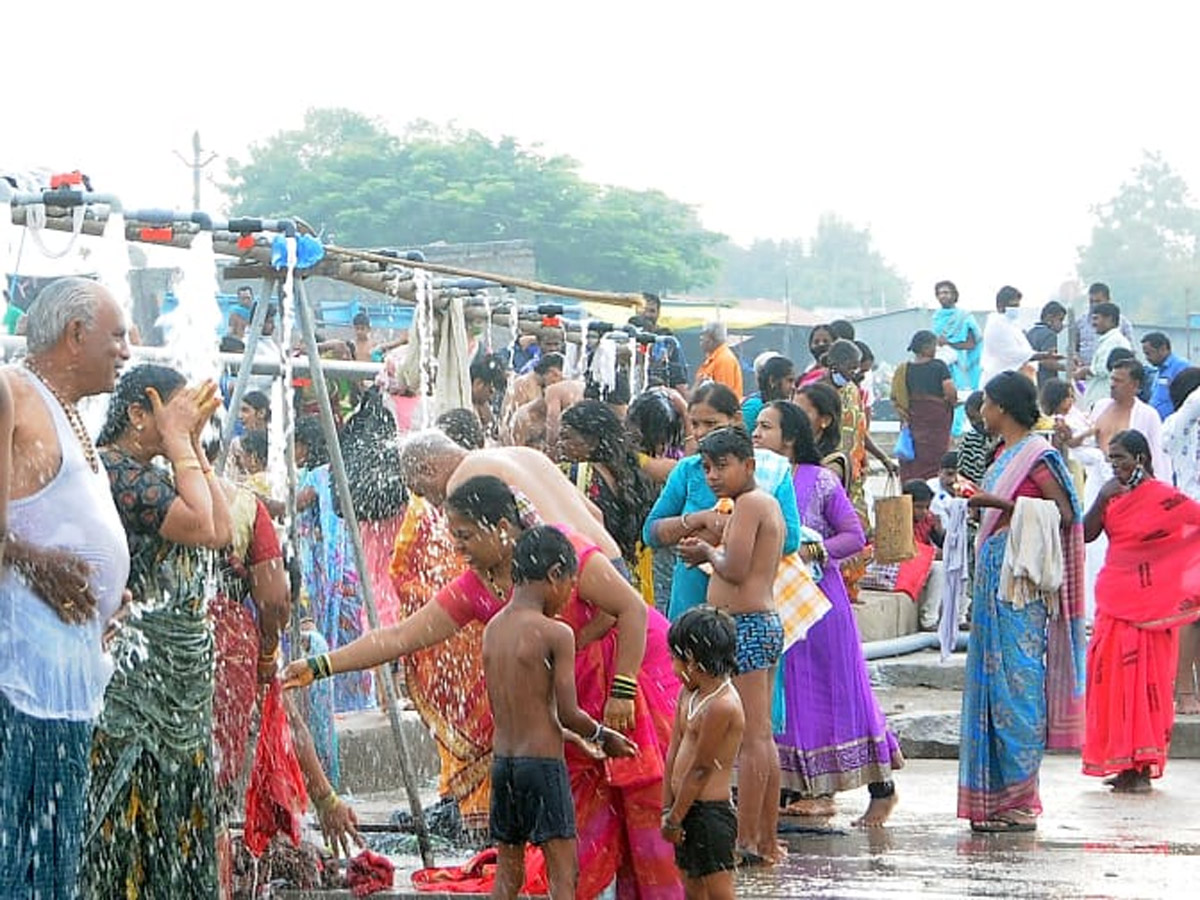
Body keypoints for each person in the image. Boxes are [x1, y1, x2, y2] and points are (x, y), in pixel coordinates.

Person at [285, 476, 683, 900]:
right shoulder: (480, 589)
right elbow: (400, 637)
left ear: (501, 527)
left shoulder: (557, 553)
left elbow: (631, 610)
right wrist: (320, 665)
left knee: (644, 814)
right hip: (570, 709)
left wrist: (621, 691)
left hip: (632, 675)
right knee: (582, 842)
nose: (459, 549)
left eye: (465, 536)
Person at [0, 278, 133, 899]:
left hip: (68, 680)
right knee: (15, 863)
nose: (126, 351)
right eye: (118, 336)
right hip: (19, 681)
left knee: (50, 868)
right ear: (76, 335)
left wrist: (109, 592)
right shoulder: (12, 393)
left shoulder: (68, 414)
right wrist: (35, 564)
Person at [82, 364, 234, 898]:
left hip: (177, 688)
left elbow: (222, 530)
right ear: (137, 413)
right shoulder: (115, 471)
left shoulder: (156, 472)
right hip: (132, 688)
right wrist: (178, 442)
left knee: (175, 822)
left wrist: (190, 444)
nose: (187, 423)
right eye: (176, 412)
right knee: (125, 822)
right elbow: (205, 525)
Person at [751, 401, 903, 826]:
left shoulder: (819, 481)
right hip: (776, 601)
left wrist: (810, 549)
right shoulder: (756, 482)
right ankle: (798, 787)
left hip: (820, 604)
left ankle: (878, 790)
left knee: (837, 695)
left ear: (792, 437)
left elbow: (854, 536)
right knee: (788, 696)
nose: (757, 433)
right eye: (756, 427)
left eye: (766, 427)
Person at [958, 372, 1085, 833]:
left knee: (1019, 684)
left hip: (1022, 586)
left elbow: (1068, 514)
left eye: (987, 404)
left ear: (1004, 407)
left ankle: (1020, 800)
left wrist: (1003, 504)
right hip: (994, 579)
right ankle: (993, 800)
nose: (982, 412)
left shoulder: (1038, 455)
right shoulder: (1001, 454)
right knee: (993, 685)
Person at [483, 526, 637, 900]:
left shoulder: (493, 629)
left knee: (507, 876)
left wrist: (571, 739)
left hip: (504, 764)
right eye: (570, 584)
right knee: (563, 877)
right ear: (554, 575)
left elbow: (518, 710)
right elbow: (568, 713)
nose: (570, 594)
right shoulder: (556, 633)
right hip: (543, 768)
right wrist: (604, 737)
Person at [676, 427, 783, 865]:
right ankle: (765, 837)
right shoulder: (754, 505)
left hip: (748, 624)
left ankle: (749, 839)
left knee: (754, 737)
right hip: (754, 623)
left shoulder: (753, 503)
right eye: (706, 467)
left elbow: (735, 569)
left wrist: (706, 550)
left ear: (749, 466)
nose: (713, 475)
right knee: (760, 736)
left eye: (722, 466)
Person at [1081, 430, 1200, 793]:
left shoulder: (1165, 498)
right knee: (1109, 680)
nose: (1114, 466)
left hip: (1150, 608)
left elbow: (1194, 528)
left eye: (1120, 458)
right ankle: (1120, 760)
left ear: (1141, 459)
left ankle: (1141, 766)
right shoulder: (1112, 495)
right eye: (1110, 460)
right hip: (1114, 600)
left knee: (1143, 682)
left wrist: (1173, 582)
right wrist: (1101, 498)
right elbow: (1085, 533)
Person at [642, 382, 801, 621]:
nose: (700, 432)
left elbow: (789, 540)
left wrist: (717, 535)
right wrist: (702, 519)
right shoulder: (688, 470)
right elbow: (651, 533)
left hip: (746, 610)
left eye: (711, 423)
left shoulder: (769, 470)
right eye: (694, 424)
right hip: (691, 599)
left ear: (736, 419)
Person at [662, 607, 744, 899]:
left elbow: (701, 768)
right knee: (692, 887)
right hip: (684, 809)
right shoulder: (689, 693)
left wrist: (674, 818)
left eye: (674, 658)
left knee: (718, 890)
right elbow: (673, 751)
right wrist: (667, 808)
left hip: (710, 814)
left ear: (693, 660)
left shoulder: (722, 705)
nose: (672, 667)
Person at [558, 400, 657, 578]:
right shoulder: (630, 473)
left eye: (566, 437)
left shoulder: (574, 473)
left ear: (592, 441)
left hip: (594, 572)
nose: (560, 444)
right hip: (628, 574)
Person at [1090, 357, 1172, 482]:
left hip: (1131, 482)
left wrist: (1161, 489)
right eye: (1112, 379)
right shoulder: (1100, 407)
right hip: (1098, 479)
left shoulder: (1148, 415)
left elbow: (1159, 457)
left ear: (1135, 384)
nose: (1112, 385)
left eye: (1119, 381)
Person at [892, 330, 956, 481]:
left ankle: (912, 494)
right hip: (936, 424)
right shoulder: (939, 366)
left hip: (915, 422)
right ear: (926, 347)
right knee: (935, 462)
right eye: (934, 346)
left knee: (914, 461)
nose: (935, 350)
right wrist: (951, 403)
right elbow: (950, 392)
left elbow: (899, 399)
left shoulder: (905, 370)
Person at [930, 280, 983, 434]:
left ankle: (957, 432)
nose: (943, 296)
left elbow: (972, 343)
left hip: (961, 363)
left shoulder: (964, 316)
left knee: (959, 396)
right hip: (942, 363)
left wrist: (950, 343)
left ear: (954, 295)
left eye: (946, 292)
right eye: (940, 293)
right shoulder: (937, 317)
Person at [1075, 301, 1131, 411]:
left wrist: (1084, 371)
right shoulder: (1107, 341)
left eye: (1096, 319)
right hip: (1098, 401)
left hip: (1105, 401)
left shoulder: (1115, 341)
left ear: (1109, 319)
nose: (1093, 323)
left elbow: (1104, 369)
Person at [980, 286, 1037, 386]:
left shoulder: (1011, 324)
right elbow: (1012, 354)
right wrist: (1041, 356)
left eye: (1018, 306)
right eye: (1013, 306)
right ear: (1000, 306)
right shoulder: (996, 324)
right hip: (998, 381)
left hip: (1014, 380)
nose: (1016, 309)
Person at [1075, 282, 1135, 367]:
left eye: (1098, 301)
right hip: (1083, 371)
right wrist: (1077, 360)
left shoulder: (1123, 324)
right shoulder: (1080, 322)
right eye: (1091, 301)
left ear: (1108, 300)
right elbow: (1074, 348)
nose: (1094, 305)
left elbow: (1130, 352)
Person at [741, 354, 794, 435]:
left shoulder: (784, 406)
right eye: (789, 380)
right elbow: (743, 438)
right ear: (772, 381)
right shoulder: (754, 406)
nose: (793, 387)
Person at [1142, 332, 1189, 420]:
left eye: (1149, 353)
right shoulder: (1158, 369)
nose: (1147, 358)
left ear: (1163, 349)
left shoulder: (1180, 367)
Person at [693, 321, 743, 400]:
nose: (701, 338)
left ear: (712, 339)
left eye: (704, 335)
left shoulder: (724, 360)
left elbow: (723, 396)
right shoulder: (714, 358)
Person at [1026, 301, 1068, 388]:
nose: (1062, 324)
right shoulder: (1050, 335)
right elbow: (1047, 361)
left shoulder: (1030, 332)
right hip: (1046, 383)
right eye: (1060, 320)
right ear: (1049, 318)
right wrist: (1067, 368)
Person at [470, 351, 508, 440]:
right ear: (478, 384)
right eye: (490, 391)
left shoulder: (483, 404)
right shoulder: (464, 404)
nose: (491, 397)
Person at [956, 391, 992, 485]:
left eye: (975, 418)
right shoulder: (969, 440)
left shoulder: (1006, 439)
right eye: (970, 419)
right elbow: (962, 475)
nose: (974, 423)